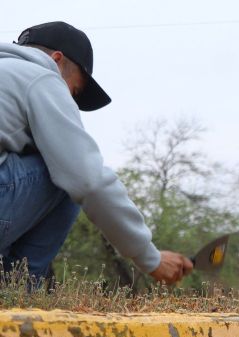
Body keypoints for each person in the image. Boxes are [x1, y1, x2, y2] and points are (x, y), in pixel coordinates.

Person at [0, 21, 192, 284]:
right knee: (66, 174)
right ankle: (16, 290)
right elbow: (88, 180)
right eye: (74, 91)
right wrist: (150, 258)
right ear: (57, 60)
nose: (70, 101)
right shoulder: (42, 77)